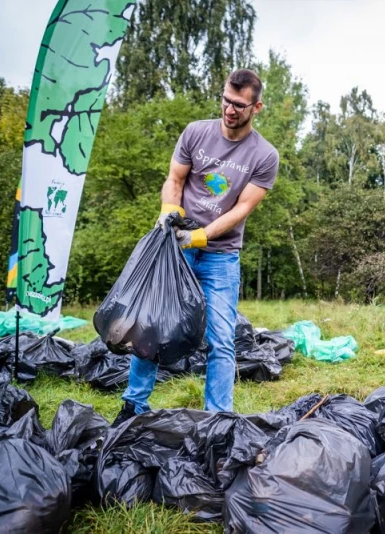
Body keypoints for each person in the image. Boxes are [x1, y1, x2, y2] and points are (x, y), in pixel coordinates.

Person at [113, 69, 279, 426]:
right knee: (152, 327)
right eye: (225, 100)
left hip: (221, 257)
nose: (230, 110)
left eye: (239, 105)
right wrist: (169, 213)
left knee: (221, 340)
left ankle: (217, 420)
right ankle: (133, 406)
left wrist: (201, 236)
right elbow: (175, 179)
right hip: (178, 252)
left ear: (257, 107)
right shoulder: (195, 132)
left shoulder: (265, 155)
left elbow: (242, 208)